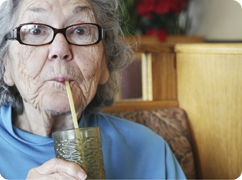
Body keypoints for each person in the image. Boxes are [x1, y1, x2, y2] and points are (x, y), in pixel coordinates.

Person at [0, 0, 186, 179]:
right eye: (36, 30)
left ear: (105, 62)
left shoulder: (149, 150)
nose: (60, 48)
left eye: (80, 30)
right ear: (6, 64)